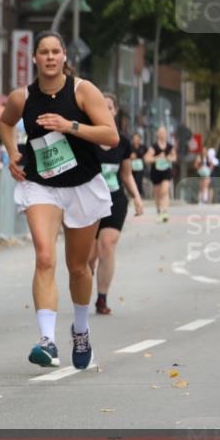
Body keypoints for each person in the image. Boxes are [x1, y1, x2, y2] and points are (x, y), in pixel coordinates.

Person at [0, 30, 118, 371]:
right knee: (44, 256)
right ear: (34, 58)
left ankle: (80, 329)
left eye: (55, 51)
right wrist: (11, 153)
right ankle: (47, 342)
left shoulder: (83, 91)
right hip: (41, 185)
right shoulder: (22, 97)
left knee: (78, 267)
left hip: (82, 185)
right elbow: (6, 123)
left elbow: (111, 135)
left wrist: (71, 126)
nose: (49, 57)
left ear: (64, 56)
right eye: (43, 52)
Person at [88, 93, 144, 315]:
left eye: (109, 107)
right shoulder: (86, 139)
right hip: (89, 202)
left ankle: (102, 298)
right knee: (88, 257)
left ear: (115, 111)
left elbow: (127, 174)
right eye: (101, 106)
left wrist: (137, 198)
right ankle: (83, 284)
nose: (106, 110)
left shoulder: (123, 142)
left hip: (115, 200)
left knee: (107, 245)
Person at [146, 126, 175, 222]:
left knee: (165, 190)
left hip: (166, 172)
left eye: (164, 132)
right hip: (156, 173)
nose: (162, 134)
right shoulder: (153, 147)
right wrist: (157, 157)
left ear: (166, 134)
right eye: (161, 132)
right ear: (157, 134)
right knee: (158, 194)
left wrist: (168, 158)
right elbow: (147, 159)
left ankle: (165, 211)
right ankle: (159, 210)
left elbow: (174, 157)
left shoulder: (170, 147)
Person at [130, 132, 146, 196]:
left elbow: (147, 155)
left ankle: (139, 194)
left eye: (137, 139)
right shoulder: (130, 147)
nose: (136, 140)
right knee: (132, 181)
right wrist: (130, 157)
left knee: (138, 180)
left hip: (140, 168)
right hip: (132, 168)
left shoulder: (143, 147)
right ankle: (133, 194)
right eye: (135, 139)